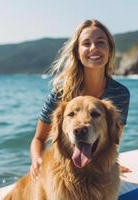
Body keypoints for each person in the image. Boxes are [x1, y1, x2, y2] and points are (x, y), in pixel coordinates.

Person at [30, 19, 130, 179]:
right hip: (62, 170)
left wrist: (110, 164)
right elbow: (39, 138)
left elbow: (113, 140)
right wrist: (38, 160)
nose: (94, 48)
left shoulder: (120, 94)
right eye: (86, 43)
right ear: (77, 51)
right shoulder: (60, 93)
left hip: (97, 170)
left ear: (110, 50)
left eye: (100, 42)